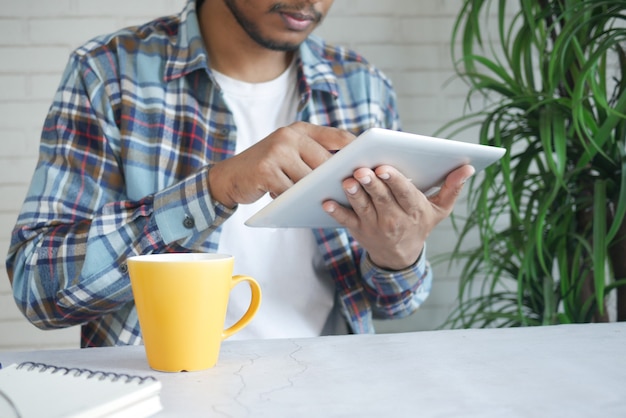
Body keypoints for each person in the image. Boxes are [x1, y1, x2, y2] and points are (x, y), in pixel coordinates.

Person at [6, 0, 474, 347]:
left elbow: (396, 304)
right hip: (161, 393)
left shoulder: (363, 86)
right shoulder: (110, 73)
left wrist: (399, 253)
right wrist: (218, 187)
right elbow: (38, 290)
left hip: (329, 386)